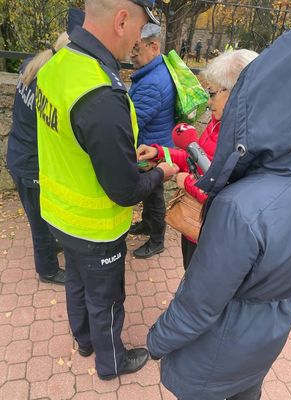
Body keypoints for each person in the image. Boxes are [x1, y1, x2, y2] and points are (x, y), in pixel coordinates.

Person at [147, 26, 291, 400]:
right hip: (261, 339)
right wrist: (169, 153)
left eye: (214, 93)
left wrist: (155, 341)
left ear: (249, 96)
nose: (208, 100)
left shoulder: (241, 208)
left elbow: (198, 307)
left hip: (216, 355)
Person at [36, 0, 178, 381]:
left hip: (58, 212)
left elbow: (74, 141)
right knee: (107, 298)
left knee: (75, 282)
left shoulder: (58, 65)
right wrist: (162, 172)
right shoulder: (101, 93)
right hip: (95, 226)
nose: (139, 41)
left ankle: (84, 341)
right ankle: (111, 362)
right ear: (120, 20)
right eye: (139, 28)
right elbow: (126, 190)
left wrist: (121, 152)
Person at [137, 49, 258, 269]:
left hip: (213, 234)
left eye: (213, 94)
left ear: (237, 92)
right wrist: (159, 153)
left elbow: (227, 195)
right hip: (196, 227)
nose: (209, 103)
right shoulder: (217, 123)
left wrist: (186, 183)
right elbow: (196, 158)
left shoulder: (246, 139)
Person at [6, 32, 70, 285]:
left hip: (19, 154)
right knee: (40, 220)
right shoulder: (50, 84)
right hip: (30, 164)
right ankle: (48, 270)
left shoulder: (33, 65)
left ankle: (51, 247)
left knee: (43, 215)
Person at [128, 23, 176, 259]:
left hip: (153, 149)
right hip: (156, 143)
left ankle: (157, 239)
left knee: (154, 194)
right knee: (151, 193)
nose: (131, 54)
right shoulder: (155, 71)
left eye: (136, 49)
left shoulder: (151, 83)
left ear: (153, 46)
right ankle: (147, 224)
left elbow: (132, 123)